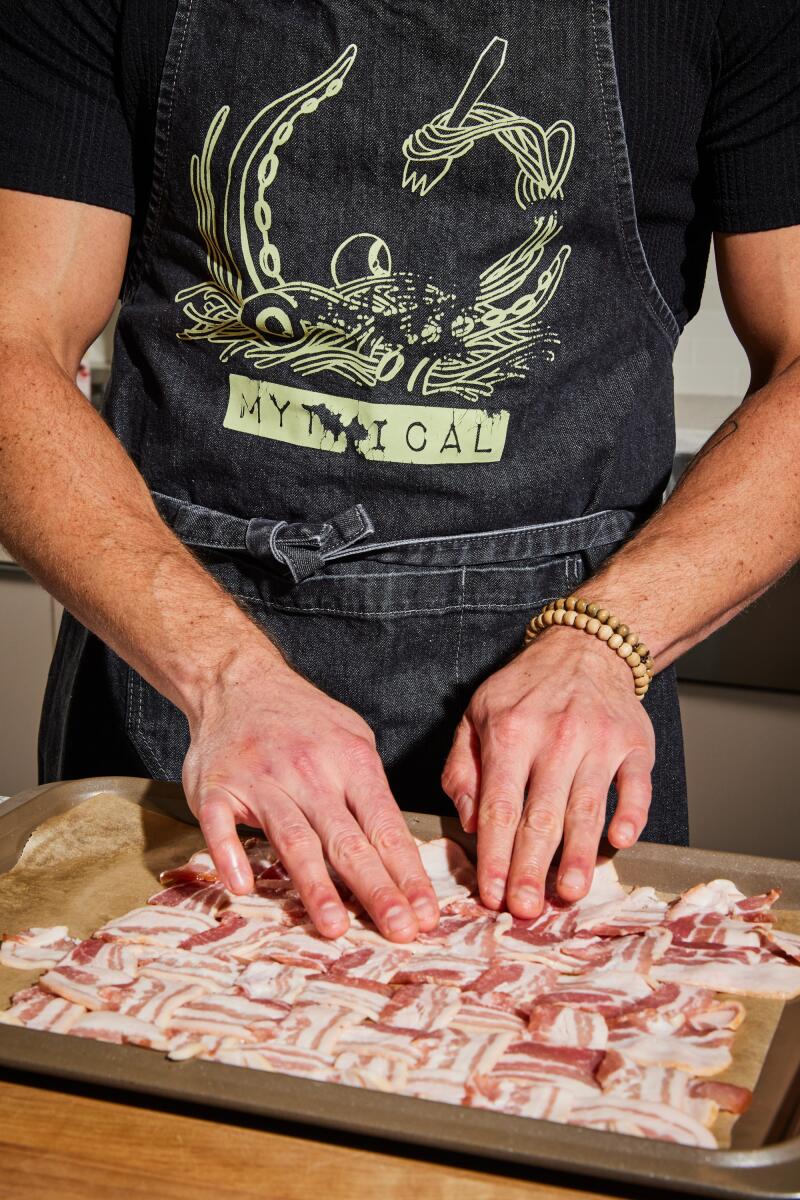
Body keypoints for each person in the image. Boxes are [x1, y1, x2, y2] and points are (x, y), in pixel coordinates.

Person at [0, 1, 798, 944]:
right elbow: (16, 346)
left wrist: (601, 646)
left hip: (564, 714)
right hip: (175, 679)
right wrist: (221, 674)